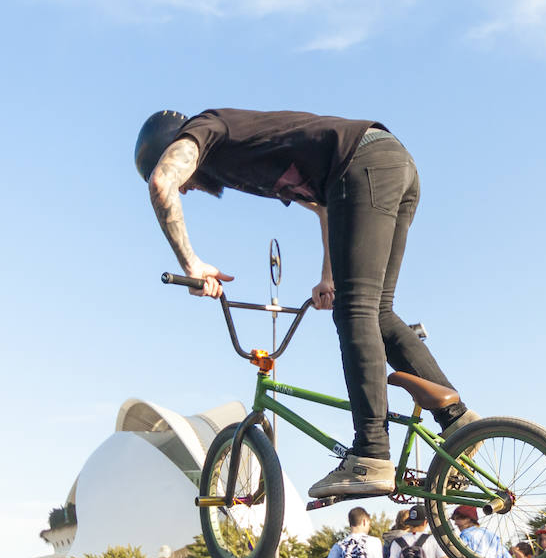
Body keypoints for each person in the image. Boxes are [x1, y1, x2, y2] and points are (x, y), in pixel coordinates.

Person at [134, 108, 479, 499]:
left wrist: (191, 264)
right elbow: (324, 206)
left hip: (364, 165)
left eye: (169, 170)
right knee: (376, 311)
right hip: (388, 165)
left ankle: (370, 453)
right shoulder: (243, 162)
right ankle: (460, 423)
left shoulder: (205, 130)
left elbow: (162, 181)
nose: (184, 189)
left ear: (170, 145)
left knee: (356, 311)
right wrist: (329, 276)